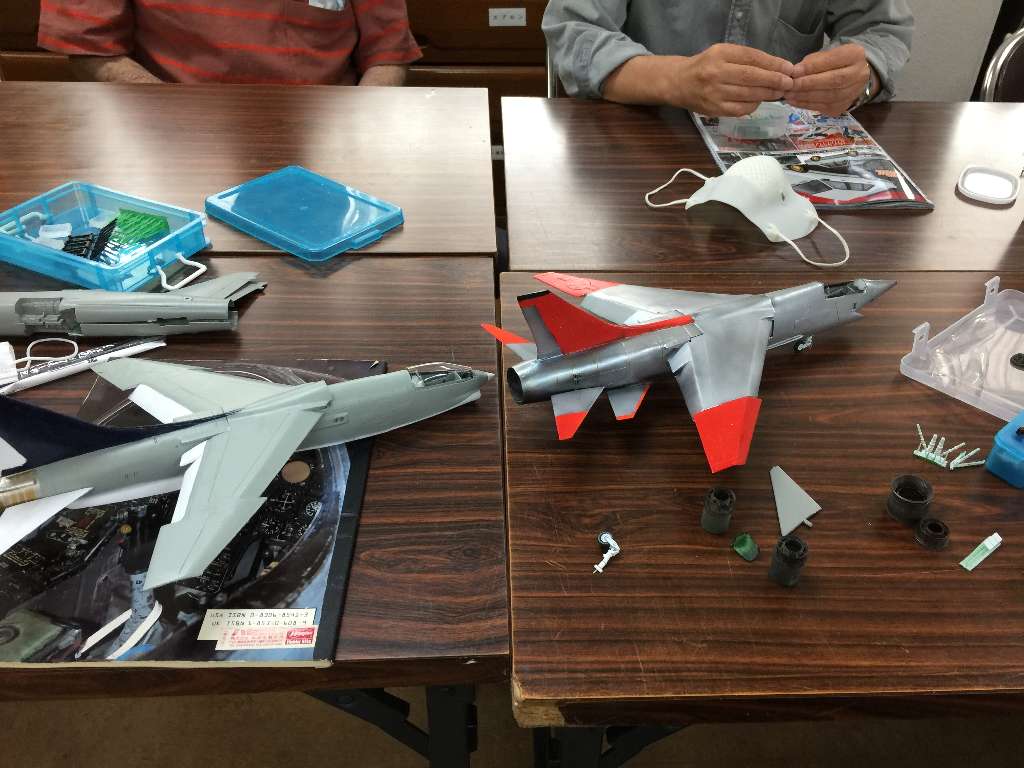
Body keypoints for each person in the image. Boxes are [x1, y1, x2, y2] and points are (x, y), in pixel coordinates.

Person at [542, 1, 913, 116]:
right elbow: (573, 30)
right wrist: (676, 79)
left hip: (787, 163)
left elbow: (882, 28)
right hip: (648, 137)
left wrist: (861, 79)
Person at [37, 0, 421, 86]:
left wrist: (352, 155)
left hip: (324, 147)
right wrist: (179, 124)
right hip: (170, 141)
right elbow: (91, 48)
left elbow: (386, 54)